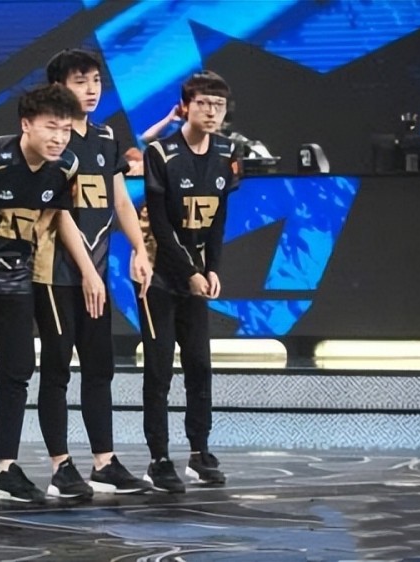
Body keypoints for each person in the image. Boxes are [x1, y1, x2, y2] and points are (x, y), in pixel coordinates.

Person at [0, 84, 97, 505]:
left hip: (17, 280)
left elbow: (56, 217)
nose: (59, 138)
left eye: (65, 129)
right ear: (26, 124)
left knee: (17, 373)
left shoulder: (65, 166)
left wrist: (88, 271)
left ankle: (5, 469)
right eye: (51, 127)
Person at [33, 49, 153, 499]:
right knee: (57, 368)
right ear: (58, 86)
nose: (91, 89)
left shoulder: (105, 137)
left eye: (96, 80)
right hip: (57, 273)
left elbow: (119, 200)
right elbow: (59, 211)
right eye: (80, 80)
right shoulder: (53, 140)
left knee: (99, 367)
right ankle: (61, 466)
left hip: (96, 272)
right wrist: (86, 270)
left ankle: (104, 462)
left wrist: (139, 249)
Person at [136, 70, 241, 493]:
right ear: (185, 107)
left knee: (199, 364)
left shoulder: (228, 153)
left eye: (219, 105)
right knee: (159, 368)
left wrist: (212, 268)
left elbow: (218, 220)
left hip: (196, 274)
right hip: (159, 275)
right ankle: (159, 458)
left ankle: (200, 451)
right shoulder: (160, 154)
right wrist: (192, 273)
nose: (212, 112)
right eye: (203, 104)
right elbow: (161, 227)